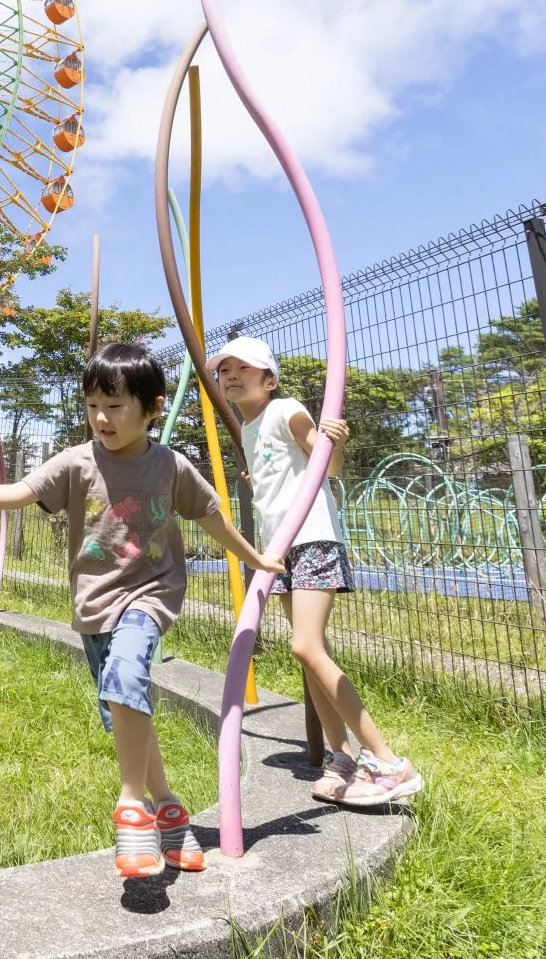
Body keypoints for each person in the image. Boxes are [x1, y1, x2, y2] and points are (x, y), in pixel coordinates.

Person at [0, 342, 283, 878]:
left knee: (129, 673)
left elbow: (212, 517)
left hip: (149, 595)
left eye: (115, 406)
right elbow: (22, 492)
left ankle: (132, 807)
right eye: (92, 406)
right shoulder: (77, 462)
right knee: (124, 707)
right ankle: (168, 807)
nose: (101, 418)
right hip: (94, 606)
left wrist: (256, 560)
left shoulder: (170, 466)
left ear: (153, 408)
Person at [208, 335, 422, 807]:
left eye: (243, 368)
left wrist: (335, 445)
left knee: (304, 645)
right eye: (224, 370)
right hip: (279, 548)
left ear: (270, 379)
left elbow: (328, 466)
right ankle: (341, 758)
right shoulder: (251, 428)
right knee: (309, 655)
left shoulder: (286, 410)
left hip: (311, 539)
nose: (231, 375)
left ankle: (387, 762)